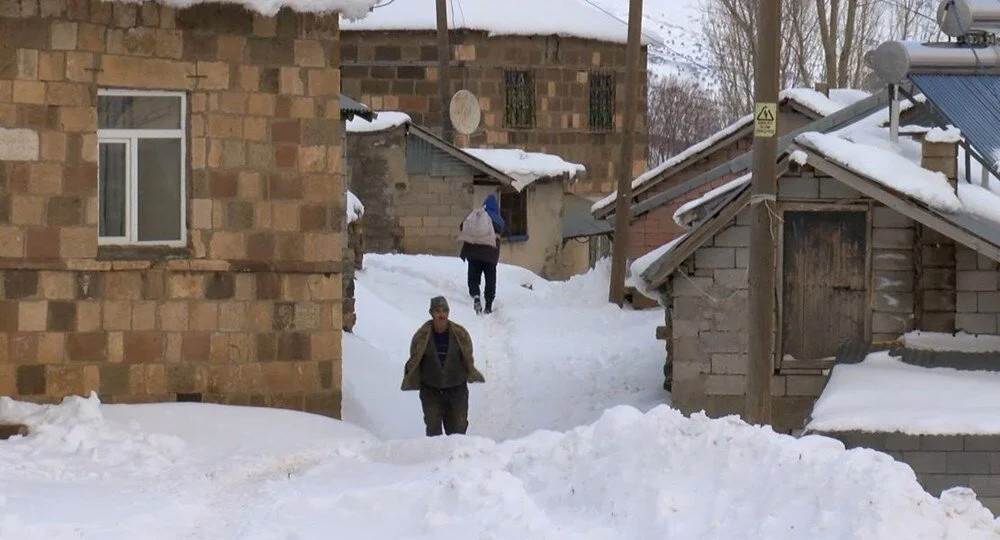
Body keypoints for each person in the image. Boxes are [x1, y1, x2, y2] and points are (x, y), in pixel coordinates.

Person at [401, 296, 486, 436]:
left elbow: (468, 356)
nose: (441, 315)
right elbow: (414, 359)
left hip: (457, 390)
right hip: (431, 390)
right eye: (437, 311)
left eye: (444, 310)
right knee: (434, 432)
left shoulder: (460, 334)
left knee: (458, 432)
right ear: (431, 313)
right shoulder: (422, 336)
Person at [459, 194, 505, 314]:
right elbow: (505, 232)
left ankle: (476, 297)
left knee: (473, 277)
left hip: (473, 254)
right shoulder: (499, 221)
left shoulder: (476, 215)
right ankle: (488, 305)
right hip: (490, 256)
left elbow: (462, 226)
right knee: (490, 280)